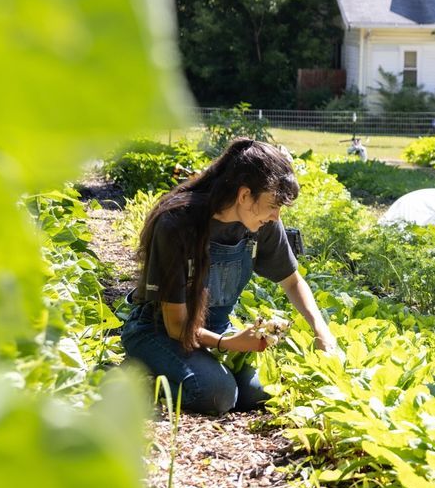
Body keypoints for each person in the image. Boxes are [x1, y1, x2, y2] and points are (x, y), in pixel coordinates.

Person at [121, 138, 338, 415]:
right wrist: (229, 343)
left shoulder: (263, 223)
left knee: (260, 393)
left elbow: (292, 281)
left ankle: (196, 369)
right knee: (216, 395)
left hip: (217, 328)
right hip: (160, 332)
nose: (276, 216)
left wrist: (321, 330)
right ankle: (140, 376)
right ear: (244, 195)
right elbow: (176, 326)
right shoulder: (177, 223)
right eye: (273, 205)